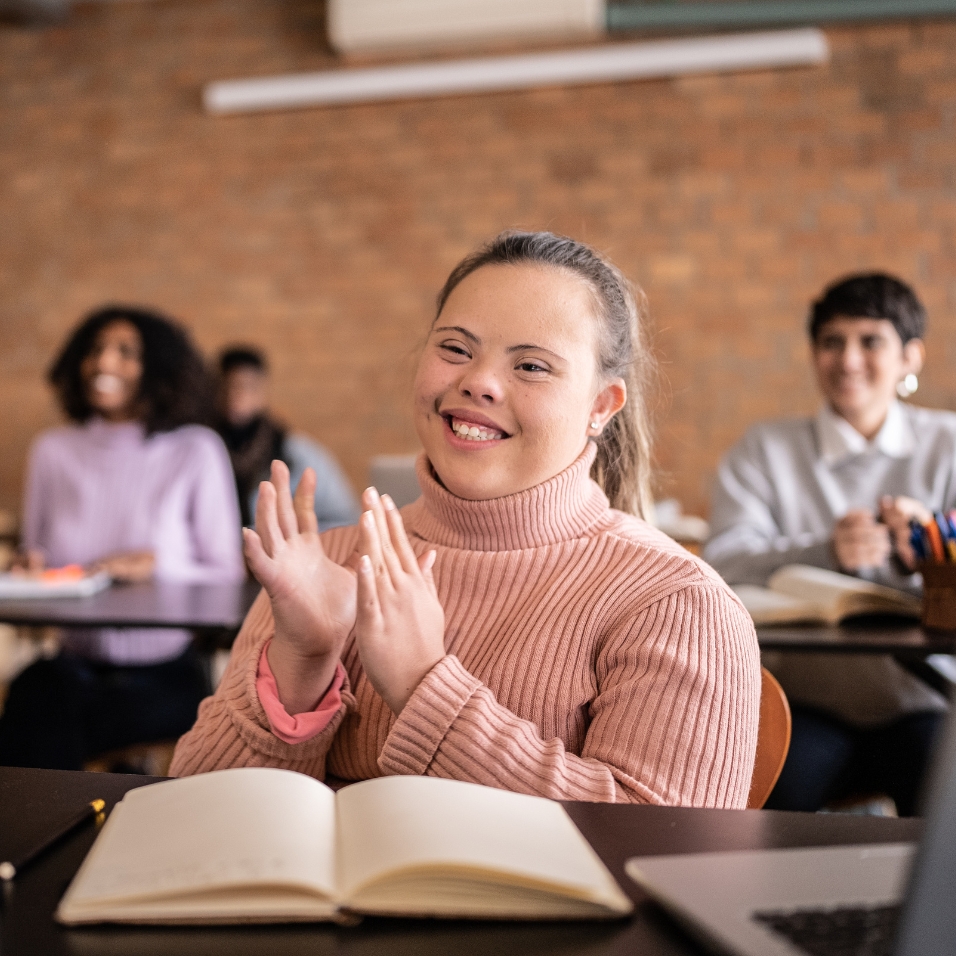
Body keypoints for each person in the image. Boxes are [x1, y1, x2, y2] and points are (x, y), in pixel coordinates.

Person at [172, 231, 761, 807]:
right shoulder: (324, 563)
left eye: (531, 366)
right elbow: (194, 820)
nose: (477, 382)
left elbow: (659, 852)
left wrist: (423, 686)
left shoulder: (675, 602)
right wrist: (302, 658)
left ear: (601, 406)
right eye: (455, 348)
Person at [704, 273, 955, 815]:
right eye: (831, 341)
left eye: (871, 341)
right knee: (759, 812)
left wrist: (931, 551)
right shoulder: (764, 448)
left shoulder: (949, 443)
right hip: (805, 705)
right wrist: (825, 552)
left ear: (910, 357)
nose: (848, 360)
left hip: (927, 702)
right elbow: (720, 564)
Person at [0, 306, 245, 771]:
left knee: (44, 722)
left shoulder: (195, 450)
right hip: (73, 665)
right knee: (39, 695)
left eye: (125, 352)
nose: (103, 363)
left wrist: (158, 564)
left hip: (165, 672)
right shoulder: (54, 451)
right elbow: (39, 554)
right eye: (94, 350)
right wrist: (30, 567)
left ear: (159, 369)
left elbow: (226, 574)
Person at [216, 346, 360, 530]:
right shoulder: (205, 450)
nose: (235, 396)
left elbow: (344, 519)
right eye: (227, 386)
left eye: (245, 387)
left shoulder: (297, 453)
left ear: (262, 391)